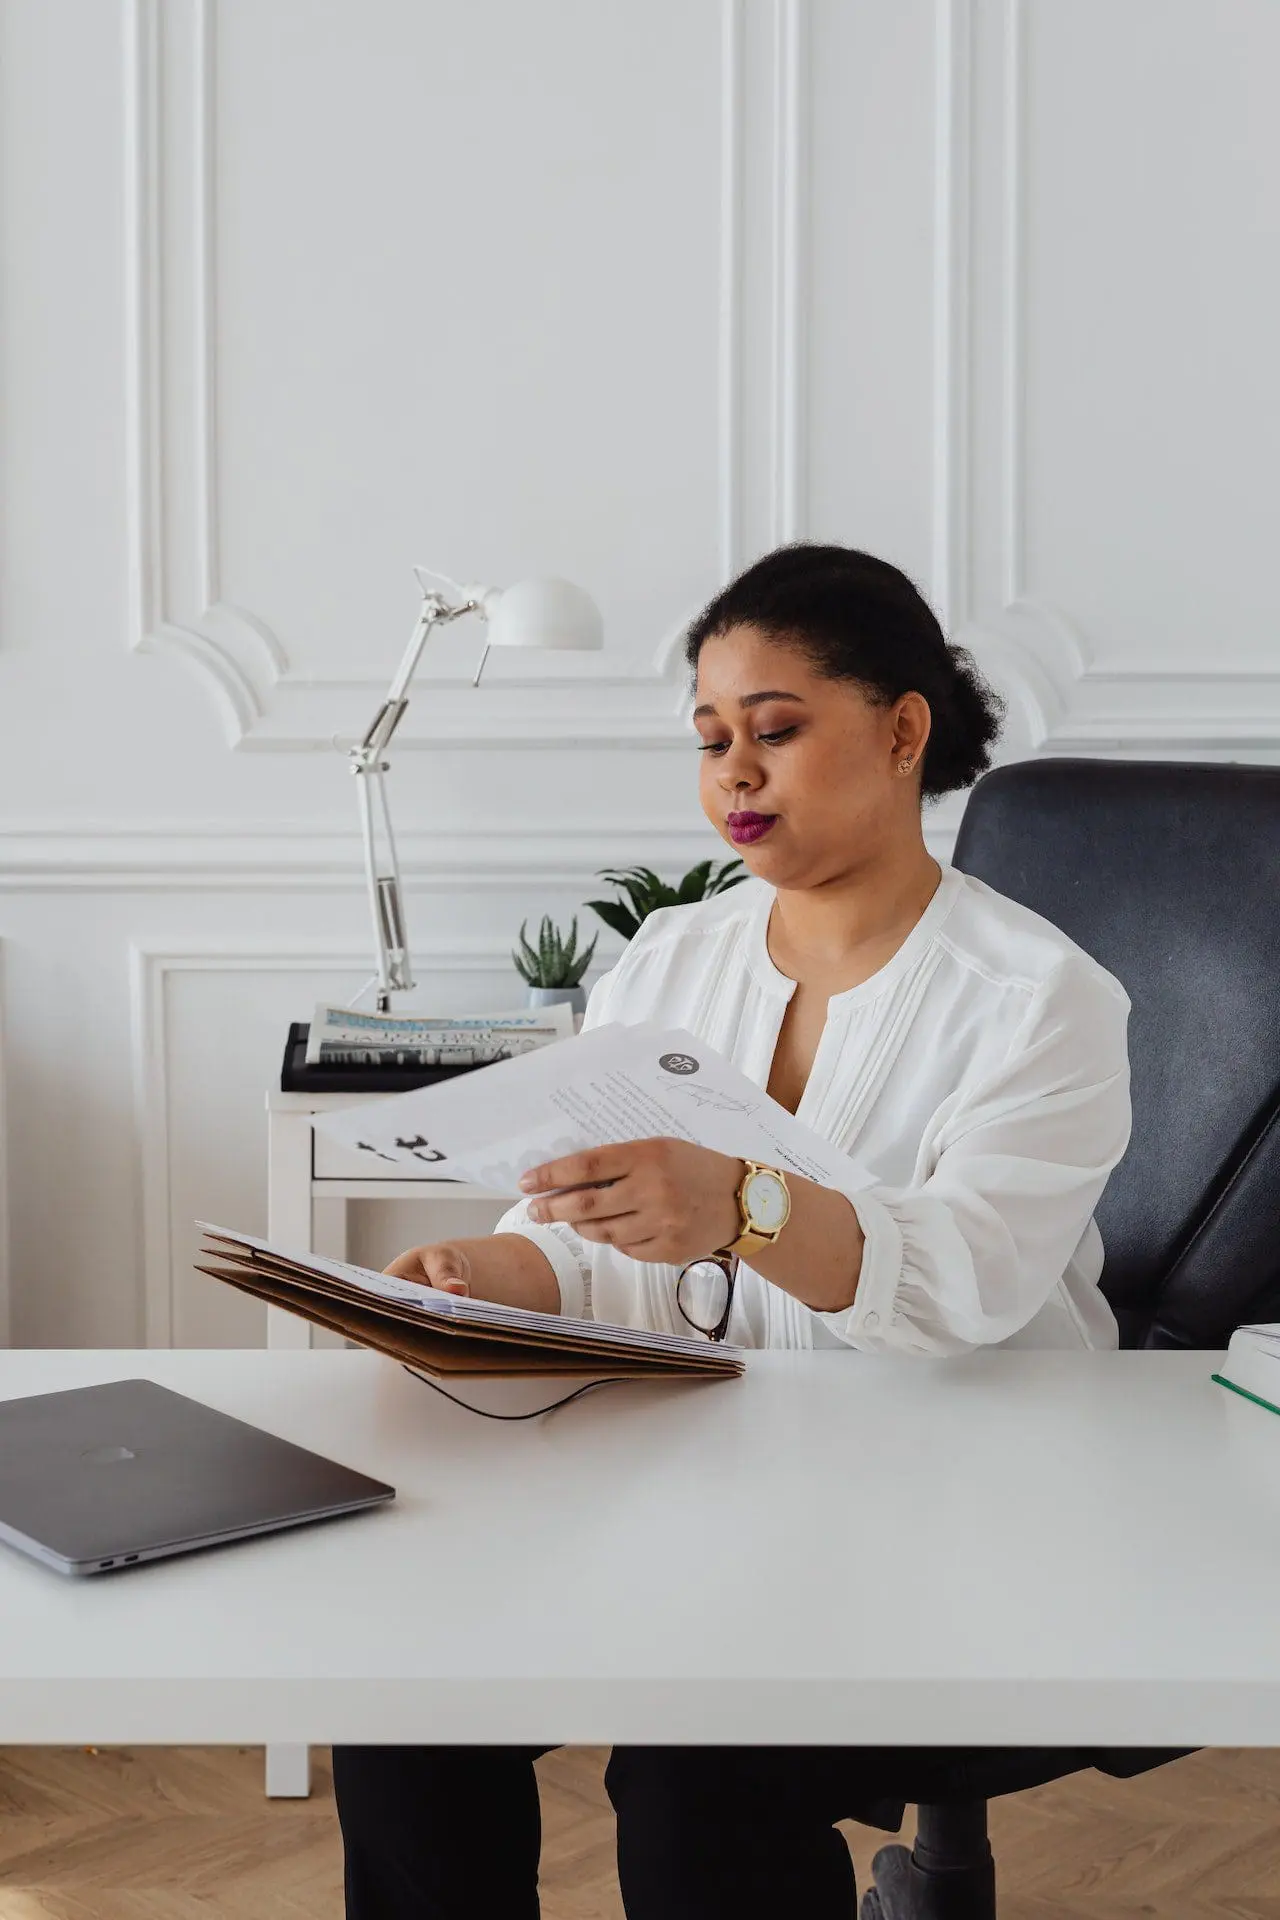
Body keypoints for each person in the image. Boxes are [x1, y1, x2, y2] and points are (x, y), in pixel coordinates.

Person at [331, 544, 1132, 1918]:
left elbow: (964, 1284)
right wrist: (484, 1279)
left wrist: (744, 1206)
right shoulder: (672, 963)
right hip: (709, 1495)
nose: (733, 774)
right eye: (710, 741)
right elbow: (586, 1233)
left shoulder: (1042, 999)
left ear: (900, 731)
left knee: (698, 1766)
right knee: (409, 1699)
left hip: (967, 1510)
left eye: (773, 730)